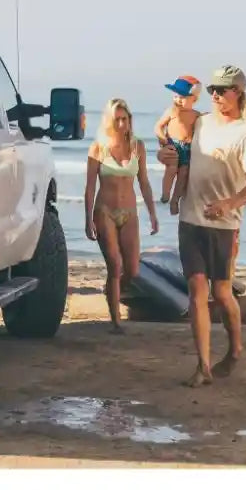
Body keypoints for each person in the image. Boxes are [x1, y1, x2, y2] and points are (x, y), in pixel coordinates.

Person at [161, 65, 246, 386]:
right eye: (212, 90)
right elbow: (178, 150)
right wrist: (166, 157)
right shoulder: (200, 122)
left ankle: (234, 350)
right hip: (191, 218)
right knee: (196, 291)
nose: (216, 95)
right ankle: (203, 366)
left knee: (221, 293)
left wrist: (229, 204)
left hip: (224, 224)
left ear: (238, 92)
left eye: (223, 90)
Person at [84, 98, 159, 334]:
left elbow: (144, 182)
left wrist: (153, 213)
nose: (120, 123)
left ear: (129, 120)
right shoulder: (98, 147)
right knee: (115, 265)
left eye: (124, 119)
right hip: (104, 210)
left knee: (132, 270)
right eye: (116, 119)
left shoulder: (138, 147)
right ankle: (116, 320)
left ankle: (111, 290)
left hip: (129, 213)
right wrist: (87, 220)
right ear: (109, 120)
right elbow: (89, 188)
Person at [154, 76, 202, 213]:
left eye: (182, 97)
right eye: (176, 96)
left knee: (183, 174)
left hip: (187, 148)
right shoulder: (171, 111)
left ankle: (175, 200)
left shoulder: (196, 115)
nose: (178, 100)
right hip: (172, 144)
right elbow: (158, 126)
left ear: (194, 99)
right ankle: (165, 193)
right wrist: (163, 140)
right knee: (171, 169)